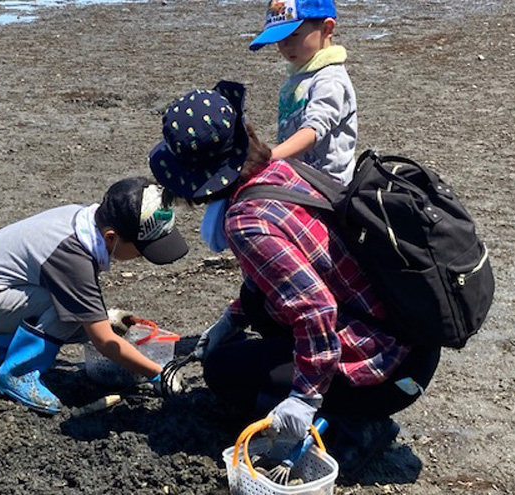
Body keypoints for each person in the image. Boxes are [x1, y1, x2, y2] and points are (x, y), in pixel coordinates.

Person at [148, 82, 441, 478]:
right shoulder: (281, 170)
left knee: (222, 372)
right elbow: (282, 278)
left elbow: (316, 308)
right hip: (408, 340)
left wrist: (304, 398)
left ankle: (352, 424)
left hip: (388, 372)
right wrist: (233, 319)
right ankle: (345, 404)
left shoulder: (245, 221)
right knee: (261, 321)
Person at [0, 176, 188, 415]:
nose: (141, 257)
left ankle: (2, 350)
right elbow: (103, 341)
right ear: (111, 237)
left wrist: (104, 318)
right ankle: (16, 374)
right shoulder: (72, 257)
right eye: (140, 250)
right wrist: (158, 373)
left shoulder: (84, 221)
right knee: (69, 311)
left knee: (78, 313)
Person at [250, 0, 357, 185]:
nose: (286, 46)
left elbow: (314, 129)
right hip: (299, 177)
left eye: (294, 35)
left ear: (326, 29)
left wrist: (271, 156)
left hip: (329, 186)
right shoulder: (299, 74)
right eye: (279, 39)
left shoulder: (329, 79)